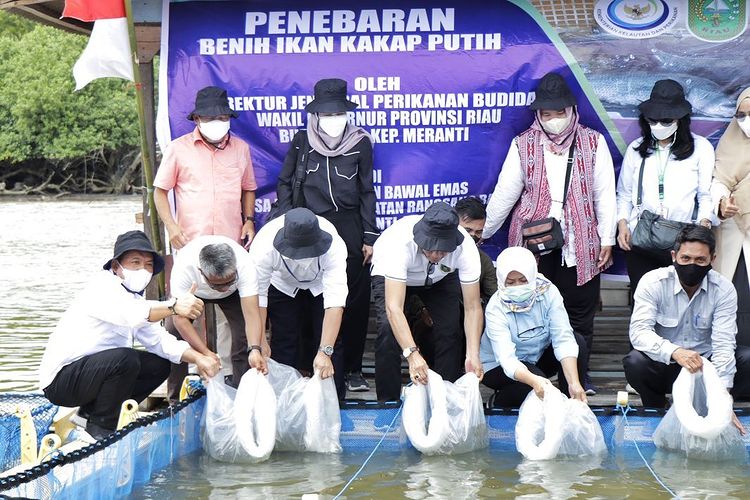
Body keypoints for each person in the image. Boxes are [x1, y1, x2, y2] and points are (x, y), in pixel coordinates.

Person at [483, 72, 617, 395]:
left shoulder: (593, 141)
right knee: (530, 309)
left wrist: (608, 238)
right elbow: (505, 194)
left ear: (572, 110)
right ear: (537, 115)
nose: (554, 120)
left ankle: (577, 380)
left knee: (578, 316)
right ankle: (534, 378)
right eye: (547, 114)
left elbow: (605, 195)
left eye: (560, 112)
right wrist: (481, 233)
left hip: (581, 243)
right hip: (533, 246)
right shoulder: (523, 145)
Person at [39, 231, 220, 439]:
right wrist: (174, 306)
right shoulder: (102, 287)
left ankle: (89, 415)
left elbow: (160, 341)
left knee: (159, 366)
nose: (143, 269)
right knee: (126, 359)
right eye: (136, 262)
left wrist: (201, 358)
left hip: (94, 374)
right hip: (61, 381)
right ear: (116, 267)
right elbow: (134, 315)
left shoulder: (134, 298)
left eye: (149, 265)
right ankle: (100, 430)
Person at [275, 78, 378, 394]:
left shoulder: (360, 142)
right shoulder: (301, 141)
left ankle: (353, 370)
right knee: (312, 299)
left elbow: (366, 191)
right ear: (316, 114)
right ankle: (310, 365)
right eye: (327, 114)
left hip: (348, 228)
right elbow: (284, 183)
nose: (333, 119)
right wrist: (288, 224)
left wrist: (369, 237)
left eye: (339, 113)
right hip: (309, 227)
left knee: (353, 302)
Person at [623, 225, 750, 432]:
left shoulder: (724, 289)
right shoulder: (652, 282)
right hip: (668, 363)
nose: (692, 265)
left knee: (747, 359)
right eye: (686, 259)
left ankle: (711, 406)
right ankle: (656, 407)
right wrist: (675, 352)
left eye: (700, 260)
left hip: (705, 368)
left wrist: (722, 400)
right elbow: (639, 333)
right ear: (674, 256)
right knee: (635, 362)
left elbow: (724, 344)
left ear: (712, 259)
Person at [371, 202, 484, 401]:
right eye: (430, 248)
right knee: (388, 331)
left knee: (450, 330)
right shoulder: (398, 244)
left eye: (442, 251)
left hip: (440, 277)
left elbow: (473, 307)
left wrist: (473, 354)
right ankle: (387, 403)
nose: (434, 254)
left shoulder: (466, 247)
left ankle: (444, 399)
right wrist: (412, 354)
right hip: (394, 277)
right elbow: (394, 308)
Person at [616, 79, 714, 295]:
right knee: (643, 299)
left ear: (680, 119)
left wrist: (703, 226)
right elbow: (623, 194)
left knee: (683, 299)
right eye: (653, 120)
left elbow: (705, 194)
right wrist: (622, 224)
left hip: (684, 242)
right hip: (642, 238)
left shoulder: (701, 148)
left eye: (666, 120)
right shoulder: (636, 149)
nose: (659, 125)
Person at [249, 208, 349, 398]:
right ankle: (284, 403)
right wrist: (260, 340)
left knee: (331, 343)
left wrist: (325, 351)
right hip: (282, 285)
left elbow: (335, 302)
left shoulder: (335, 245)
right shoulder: (263, 246)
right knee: (284, 341)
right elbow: (259, 298)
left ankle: (334, 405)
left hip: (320, 286)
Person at [480, 247, 587, 407]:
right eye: (510, 282)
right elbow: (507, 360)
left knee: (577, 342)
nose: (517, 287)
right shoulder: (496, 307)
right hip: (499, 366)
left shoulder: (548, 291)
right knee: (533, 387)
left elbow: (563, 338)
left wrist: (574, 382)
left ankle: (572, 403)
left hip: (538, 354)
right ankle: (499, 402)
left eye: (523, 281)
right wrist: (535, 381)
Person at [154, 86, 257, 249]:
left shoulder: (241, 149)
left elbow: (248, 188)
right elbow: (160, 192)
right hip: (190, 241)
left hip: (231, 240)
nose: (217, 122)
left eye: (222, 118)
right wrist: (171, 227)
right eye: (210, 118)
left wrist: (249, 221)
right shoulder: (177, 148)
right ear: (197, 119)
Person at [168, 235, 265, 388]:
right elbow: (180, 319)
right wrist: (205, 353)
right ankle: (176, 397)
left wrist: (255, 349)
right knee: (172, 334)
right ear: (201, 271)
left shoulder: (245, 264)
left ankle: (241, 390)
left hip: (233, 295)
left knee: (243, 335)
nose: (224, 287)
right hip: (195, 292)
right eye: (219, 285)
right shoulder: (184, 267)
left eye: (230, 281)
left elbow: (252, 313)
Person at [712, 87, 750, 347]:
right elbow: (719, 179)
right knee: (735, 304)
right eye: (741, 115)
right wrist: (721, 202)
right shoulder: (731, 140)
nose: (746, 121)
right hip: (734, 237)